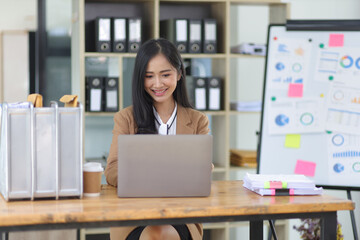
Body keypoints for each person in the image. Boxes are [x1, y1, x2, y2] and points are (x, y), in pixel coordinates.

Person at [105, 38, 210, 240]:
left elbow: (201, 172)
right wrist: (156, 178)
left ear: (179, 74)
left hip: (181, 215)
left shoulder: (198, 121)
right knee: (157, 233)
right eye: (149, 76)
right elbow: (112, 170)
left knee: (162, 233)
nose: (157, 84)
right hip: (135, 216)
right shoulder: (126, 118)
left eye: (165, 75)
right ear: (140, 79)